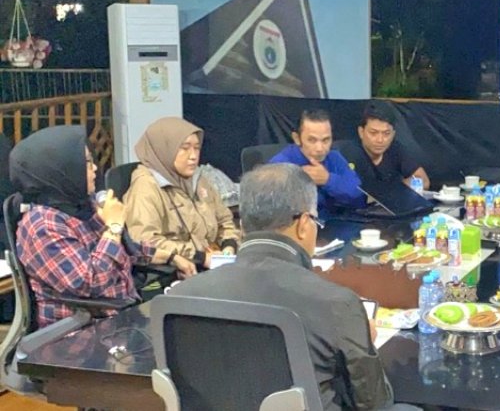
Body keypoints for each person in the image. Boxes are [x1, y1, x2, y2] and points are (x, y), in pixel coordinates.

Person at [169, 164, 394, 410]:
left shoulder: (182, 297)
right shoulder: (337, 303)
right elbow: (374, 403)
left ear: (243, 225)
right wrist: (367, 345)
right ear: (304, 224)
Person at [9, 126, 196, 328]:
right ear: (63, 169)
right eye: (87, 163)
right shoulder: (42, 226)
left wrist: (172, 257)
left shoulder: (81, 205)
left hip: (120, 314)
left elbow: (127, 248)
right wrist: (113, 227)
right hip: (80, 335)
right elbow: (90, 283)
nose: (95, 169)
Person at [124, 117, 240, 269]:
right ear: (164, 149)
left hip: (213, 261)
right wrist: (199, 257)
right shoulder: (145, 188)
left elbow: (224, 220)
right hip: (180, 269)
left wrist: (229, 245)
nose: (193, 156)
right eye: (185, 148)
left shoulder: (198, 179)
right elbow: (145, 242)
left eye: (196, 148)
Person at [269, 109, 364, 214]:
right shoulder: (280, 164)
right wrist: (297, 181)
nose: (320, 148)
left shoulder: (334, 157)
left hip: (334, 223)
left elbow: (359, 195)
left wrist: (328, 180)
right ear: (297, 138)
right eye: (312, 140)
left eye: (326, 140)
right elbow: (273, 208)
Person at [341, 101, 430, 190]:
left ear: (393, 134)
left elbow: (424, 180)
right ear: (361, 132)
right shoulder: (345, 152)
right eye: (373, 133)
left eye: (386, 133)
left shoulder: (396, 150)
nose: (380, 140)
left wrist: (394, 190)